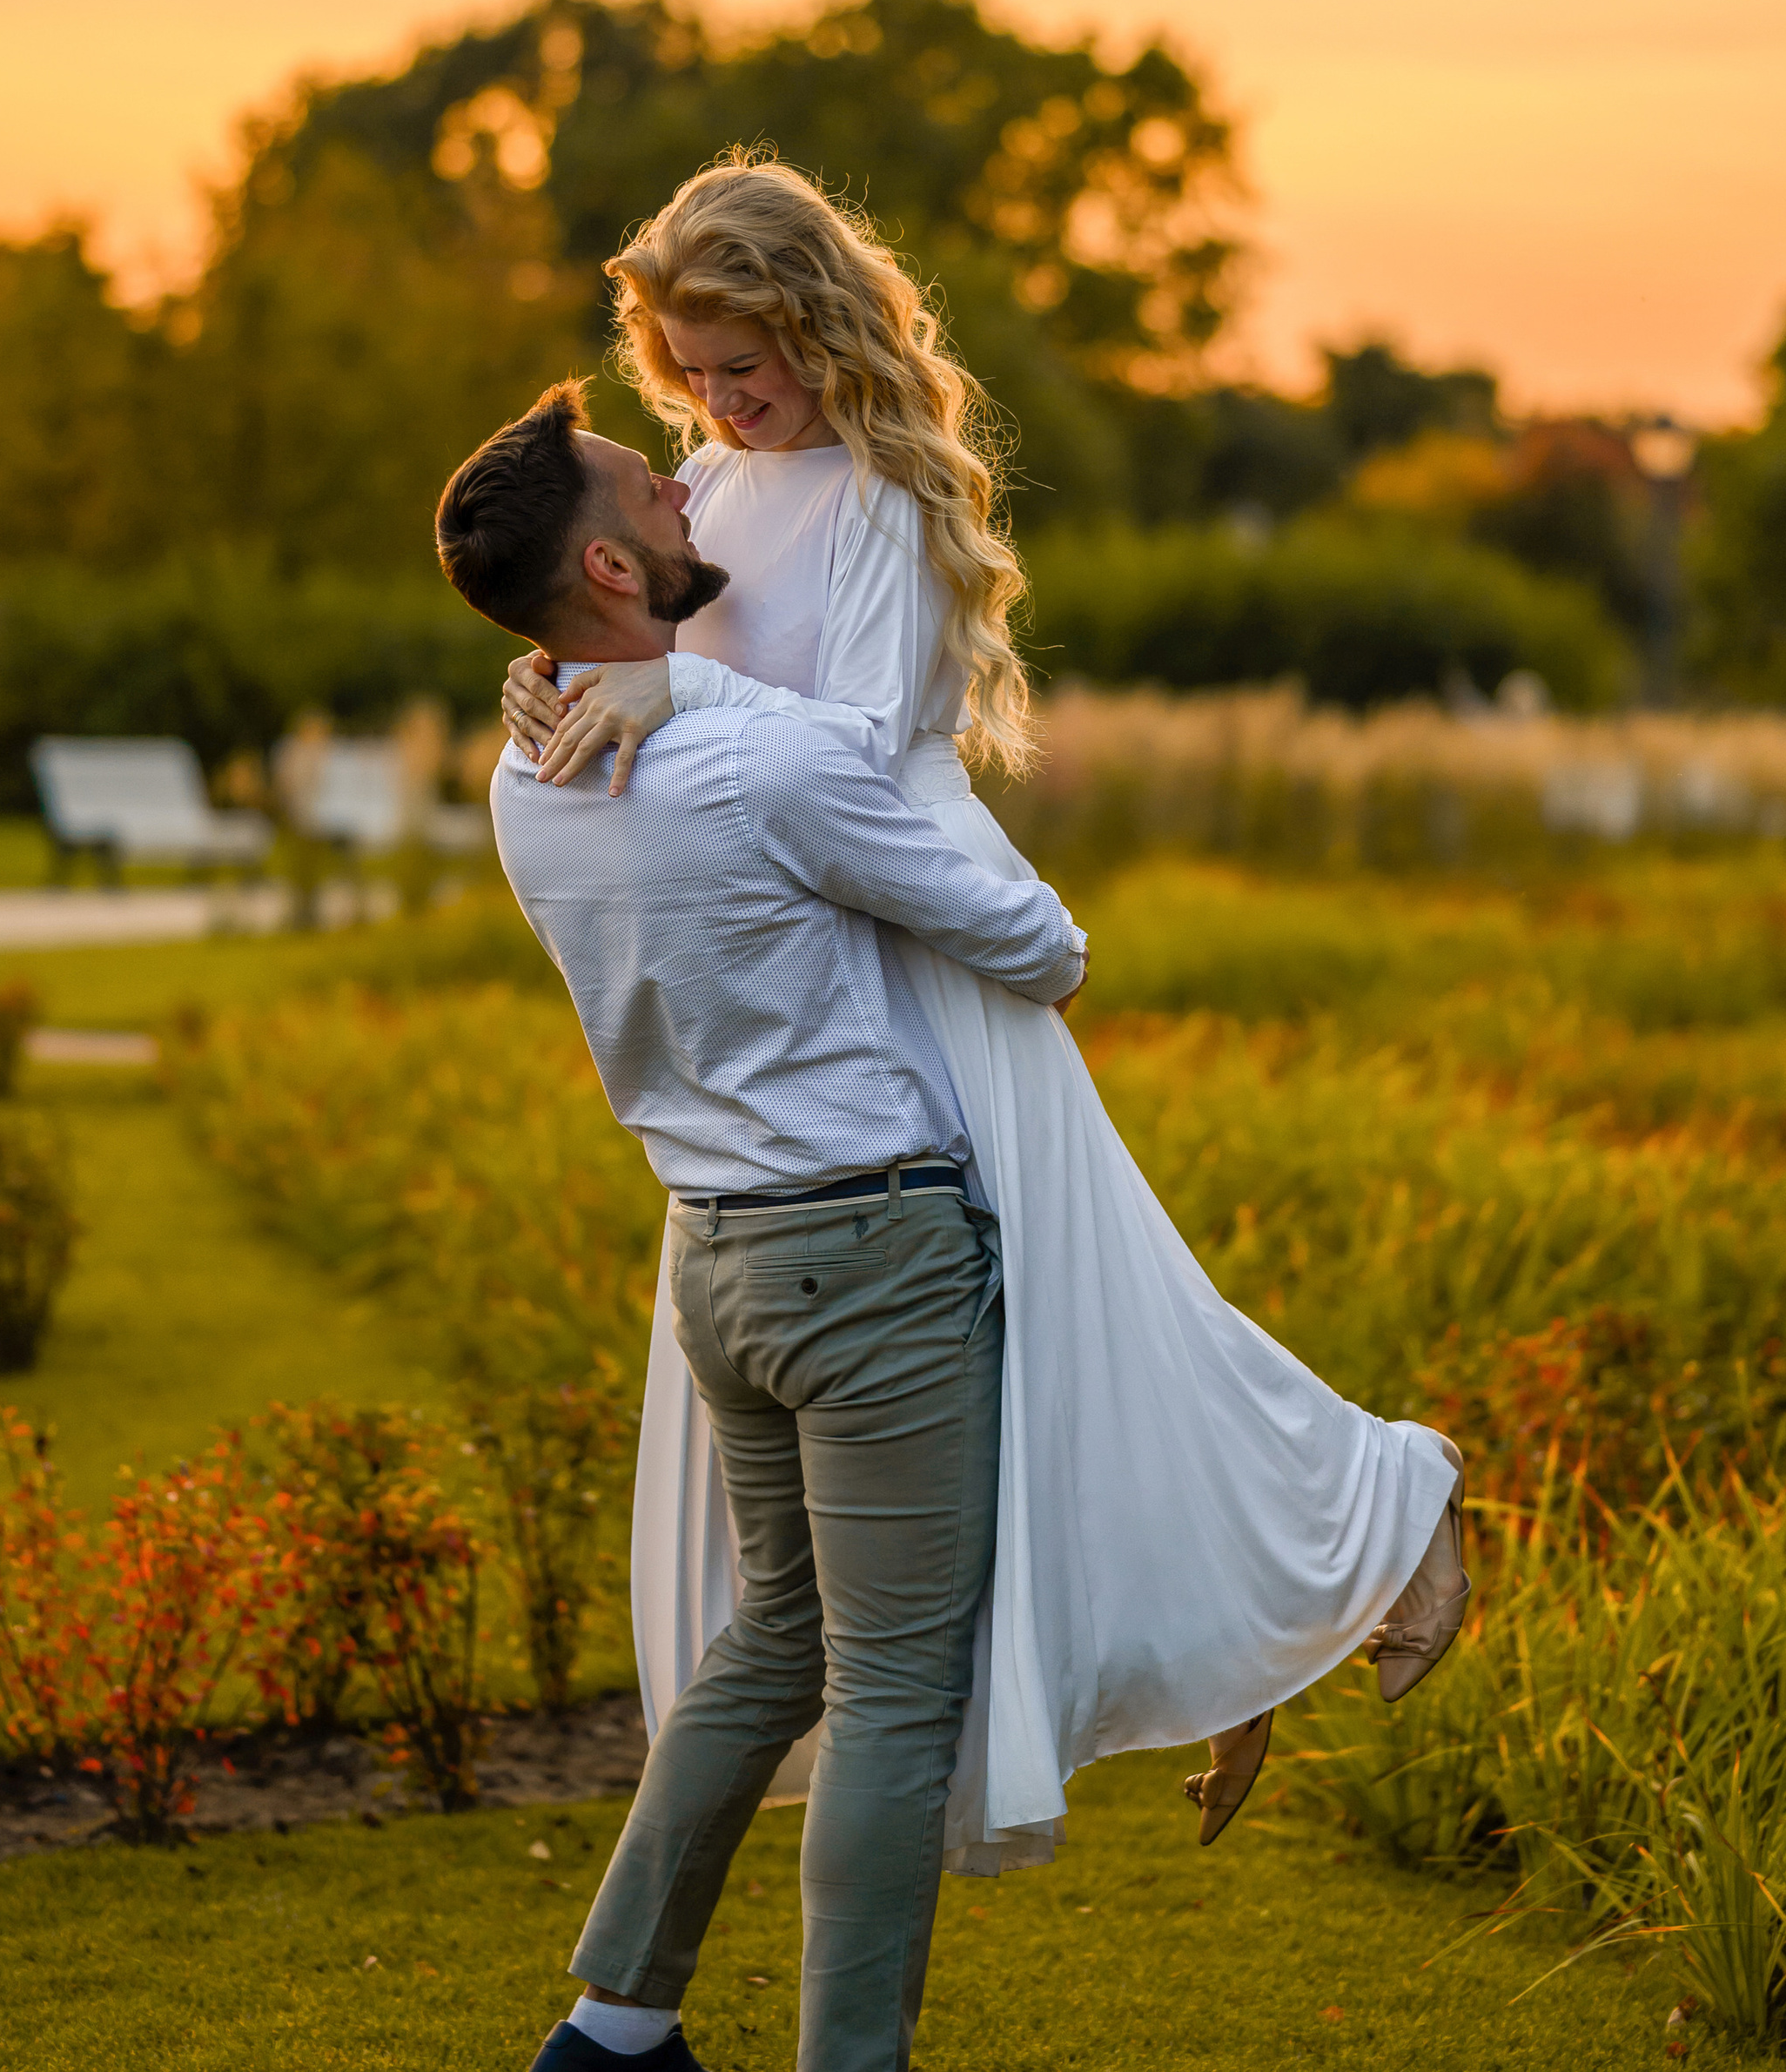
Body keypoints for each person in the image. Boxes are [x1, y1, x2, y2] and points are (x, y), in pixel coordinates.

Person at [503, 156, 1469, 1874]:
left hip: (923, 948)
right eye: (694, 376)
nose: (720, 405)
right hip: (812, 967)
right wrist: (567, 674)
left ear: (816, 322)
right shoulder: (710, 484)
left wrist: (670, 684)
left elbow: (860, 754)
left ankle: (1384, 1513)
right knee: (1041, 1357)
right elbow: (660, 670)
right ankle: (1241, 1622)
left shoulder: (878, 498)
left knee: (1097, 1310)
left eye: (747, 365)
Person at [436, 379, 1095, 2072]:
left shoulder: (523, 768)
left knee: (776, 1644)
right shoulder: (754, 757)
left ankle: (612, 2035)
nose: (686, 468)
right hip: (863, 1251)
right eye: (650, 476)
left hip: (715, 1252)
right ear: (609, 559)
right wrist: (754, 713)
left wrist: (677, 687)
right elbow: (1040, 943)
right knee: (889, 1685)